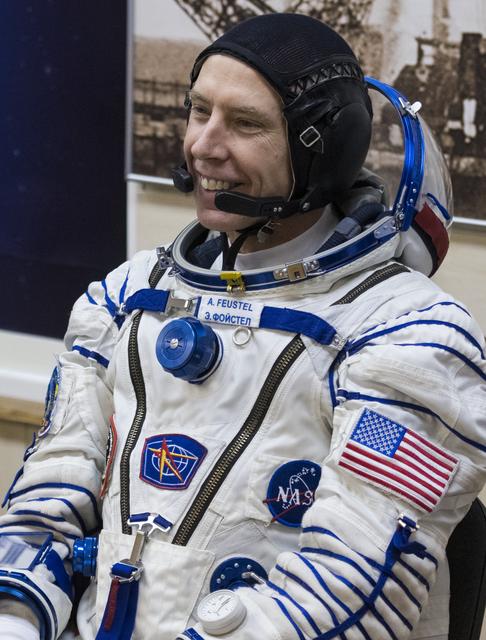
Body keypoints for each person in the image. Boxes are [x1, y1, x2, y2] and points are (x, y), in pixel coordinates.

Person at [0, 12, 485, 640]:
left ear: (322, 147)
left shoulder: (409, 337)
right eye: (199, 111)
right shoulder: (128, 298)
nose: (203, 145)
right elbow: (46, 502)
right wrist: (17, 618)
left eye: (245, 123)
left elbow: (349, 589)